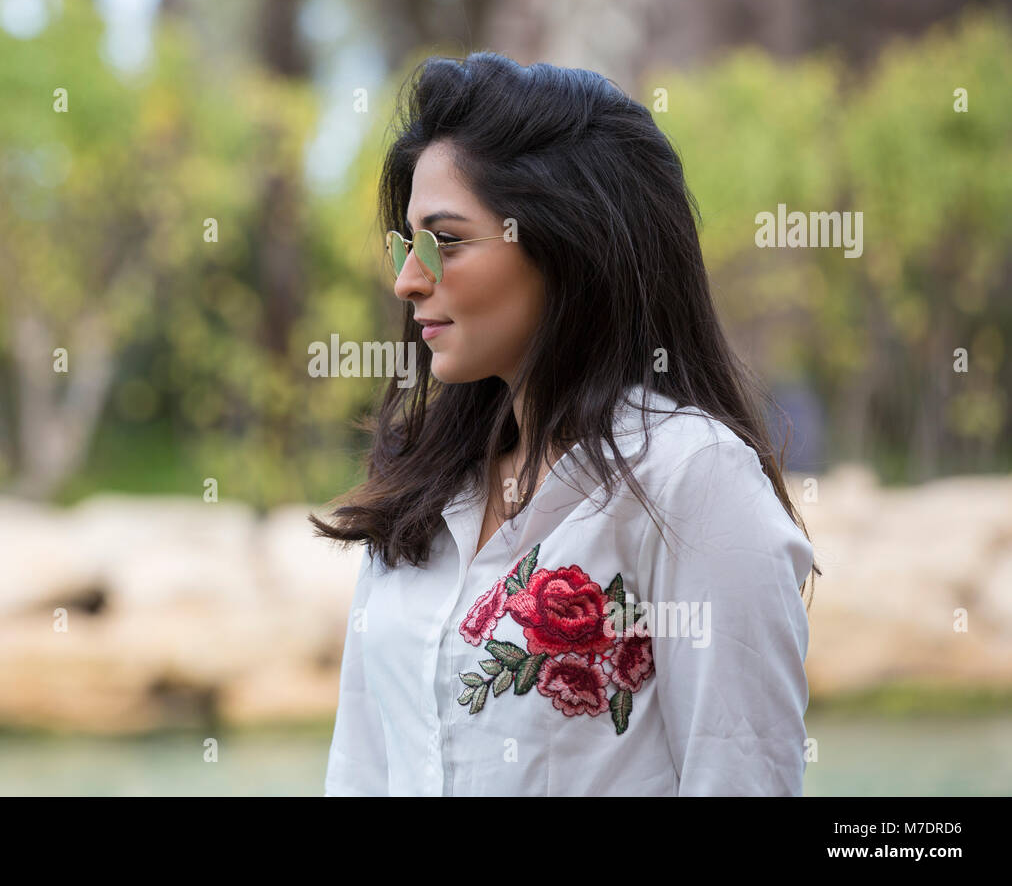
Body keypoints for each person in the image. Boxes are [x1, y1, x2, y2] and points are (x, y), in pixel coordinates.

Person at [309, 52, 820, 797]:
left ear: (569, 243)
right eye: (404, 242)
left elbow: (741, 771)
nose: (407, 279)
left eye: (445, 241)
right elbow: (359, 770)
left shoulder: (690, 480)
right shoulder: (420, 490)